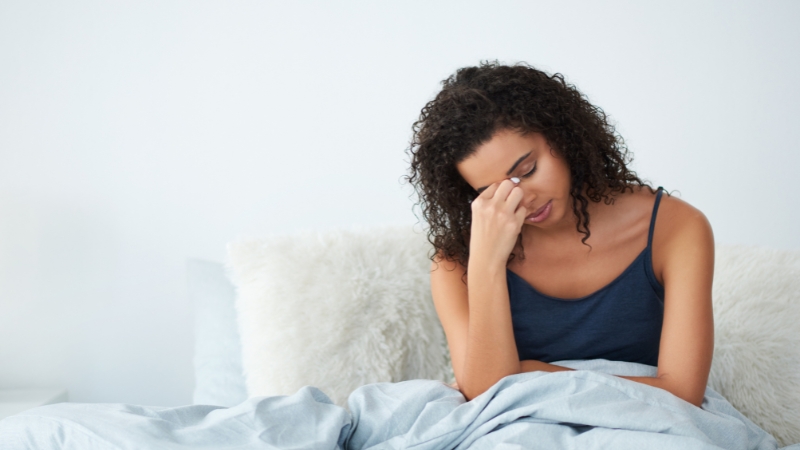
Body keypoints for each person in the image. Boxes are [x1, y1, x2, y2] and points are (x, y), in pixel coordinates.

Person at [403, 61, 714, 407]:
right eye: (491, 193)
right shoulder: (457, 263)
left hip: (646, 424)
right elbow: (481, 394)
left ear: (561, 135)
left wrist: (533, 372)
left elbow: (684, 393)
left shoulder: (675, 228)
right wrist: (486, 265)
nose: (521, 198)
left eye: (527, 170)